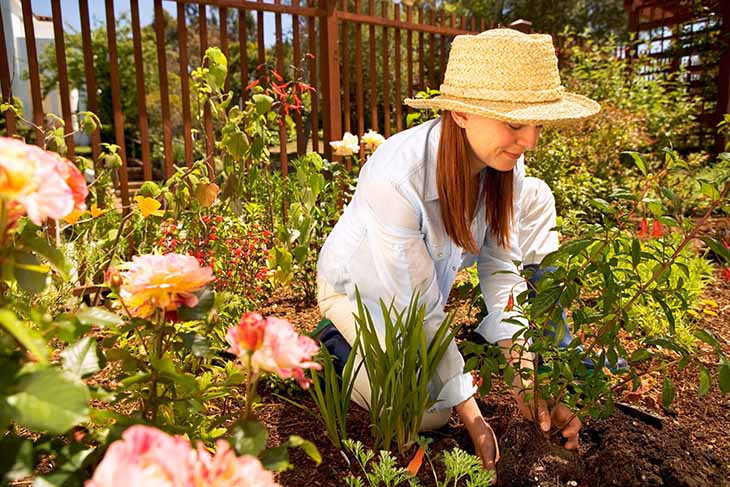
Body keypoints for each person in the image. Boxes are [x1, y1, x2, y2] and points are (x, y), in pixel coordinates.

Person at [316, 28, 600, 473]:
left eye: (536, 124)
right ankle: (334, 343)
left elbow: (501, 268)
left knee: (438, 392)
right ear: (462, 113)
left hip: (413, 303)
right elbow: (417, 305)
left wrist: (527, 380)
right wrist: (474, 416)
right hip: (358, 294)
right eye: (514, 123)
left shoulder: (504, 166)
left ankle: (378, 355)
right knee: (431, 412)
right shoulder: (397, 177)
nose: (530, 141)